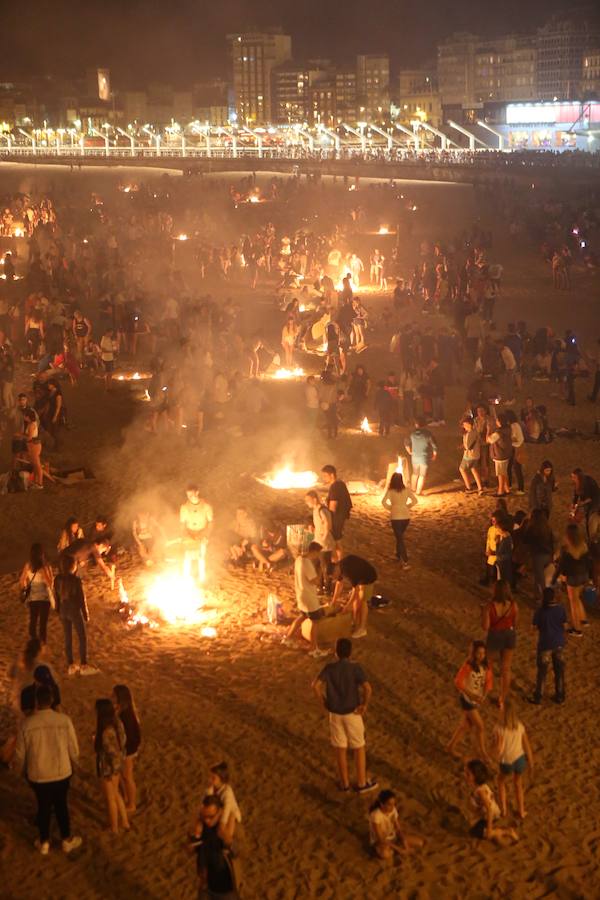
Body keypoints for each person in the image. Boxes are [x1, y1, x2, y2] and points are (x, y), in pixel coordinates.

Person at [13, 684, 82, 855]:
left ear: (36, 702)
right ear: (51, 700)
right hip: (61, 771)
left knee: (43, 807)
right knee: (61, 805)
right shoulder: (64, 720)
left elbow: (20, 753)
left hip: (38, 774)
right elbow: (73, 748)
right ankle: (66, 839)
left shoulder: (27, 724)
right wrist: (76, 764)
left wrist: (20, 770)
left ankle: (44, 841)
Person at [312, 638, 377, 794]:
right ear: (350, 652)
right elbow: (368, 689)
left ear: (336, 652)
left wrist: (323, 702)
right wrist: (364, 705)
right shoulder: (355, 668)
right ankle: (361, 783)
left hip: (335, 714)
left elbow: (315, 686)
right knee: (358, 747)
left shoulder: (329, 668)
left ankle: (344, 784)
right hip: (352, 712)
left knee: (340, 748)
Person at [447, 641, 492, 762]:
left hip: (475, 699)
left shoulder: (486, 665)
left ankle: (450, 747)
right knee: (480, 726)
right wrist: (471, 694)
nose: (481, 655)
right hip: (467, 699)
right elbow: (458, 682)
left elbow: (488, 681)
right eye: (479, 653)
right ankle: (483, 753)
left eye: (483, 653)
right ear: (473, 653)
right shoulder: (467, 666)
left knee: (466, 725)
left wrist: (484, 695)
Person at [54, 556, 99, 676]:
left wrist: (58, 610)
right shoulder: (75, 580)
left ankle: (71, 665)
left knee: (67, 637)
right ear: (73, 566)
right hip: (74, 611)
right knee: (82, 637)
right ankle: (83, 664)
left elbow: (56, 596)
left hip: (63, 610)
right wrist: (85, 614)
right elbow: (81, 598)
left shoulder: (57, 579)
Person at [283, 542, 329, 658]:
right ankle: (313, 649)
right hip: (309, 597)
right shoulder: (307, 563)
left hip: (301, 595)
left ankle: (288, 638)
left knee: (302, 616)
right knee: (315, 621)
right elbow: (315, 581)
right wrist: (320, 571)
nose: (318, 556)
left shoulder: (298, 559)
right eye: (318, 553)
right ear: (314, 551)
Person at [494, 698, 534, 820]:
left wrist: (494, 755)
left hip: (507, 761)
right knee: (518, 783)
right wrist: (531, 760)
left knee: (501, 781)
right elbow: (526, 744)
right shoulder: (520, 726)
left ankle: (504, 810)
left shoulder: (499, 729)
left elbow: (499, 747)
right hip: (520, 759)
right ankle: (521, 811)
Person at [94, 698, 130, 835]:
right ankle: (125, 822)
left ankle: (114, 827)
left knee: (110, 798)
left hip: (109, 768)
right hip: (118, 764)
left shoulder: (106, 731)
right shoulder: (117, 723)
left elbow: (111, 752)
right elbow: (122, 742)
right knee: (116, 794)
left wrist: (111, 771)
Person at [481, 581, 518, 711]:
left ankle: (485, 693)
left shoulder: (489, 606)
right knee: (506, 668)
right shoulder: (513, 605)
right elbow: (515, 622)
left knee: (488, 666)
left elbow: (485, 627)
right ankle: (503, 698)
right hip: (509, 635)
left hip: (495, 636)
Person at [464, 760, 518, 845]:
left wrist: (489, 829)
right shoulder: (483, 786)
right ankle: (498, 834)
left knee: (475, 832)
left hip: (490, 816)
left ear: (476, 776)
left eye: (468, 774)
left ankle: (504, 832)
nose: (465, 776)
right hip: (490, 814)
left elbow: (489, 809)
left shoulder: (480, 791)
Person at [193, 795, 237, 899]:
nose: (207, 820)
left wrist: (228, 840)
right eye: (205, 817)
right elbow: (190, 849)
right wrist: (194, 835)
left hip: (227, 889)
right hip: (206, 887)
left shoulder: (231, 828)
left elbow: (242, 852)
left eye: (211, 817)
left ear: (220, 812)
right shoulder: (201, 827)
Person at [529, 587, 567, 705]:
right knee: (559, 671)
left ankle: (538, 696)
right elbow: (565, 626)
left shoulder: (540, 611)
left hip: (545, 644)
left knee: (542, 672)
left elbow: (533, 628)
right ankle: (560, 695)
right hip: (559, 643)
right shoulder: (561, 610)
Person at [552, 523, 591, 637]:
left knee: (573, 602)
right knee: (577, 598)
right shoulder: (584, 546)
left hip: (573, 577)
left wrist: (554, 578)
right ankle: (583, 620)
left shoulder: (567, 549)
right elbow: (588, 562)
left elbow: (561, 566)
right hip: (583, 575)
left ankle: (577, 629)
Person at [368, 790, 425, 859]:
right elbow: (381, 838)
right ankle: (395, 850)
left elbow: (398, 829)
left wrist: (405, 842)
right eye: (389, 804)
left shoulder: (393, 810)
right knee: (385, 854)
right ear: (382, 804)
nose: (392, 807)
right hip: (381, 842)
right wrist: (399, 849)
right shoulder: (376, 815)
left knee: (420, 843)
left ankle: (397, 849)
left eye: (393, 804)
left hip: (393, 838)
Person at [332, 554, 377, 639]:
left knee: (363, 600)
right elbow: (339, 584)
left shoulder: (347, 570)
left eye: (334, 575)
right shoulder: (339, 568)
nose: (335, 578)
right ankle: (355, 622)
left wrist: (347, 605)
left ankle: (362, 629)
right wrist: (333, 601)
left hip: (368, 576)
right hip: (360, 576)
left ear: (335, 569)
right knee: (356, 601)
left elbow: (355, 590)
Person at [112, 684, 141, 814]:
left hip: (127, 750)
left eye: (113, 695)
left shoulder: (126, 715)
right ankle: (127, 798)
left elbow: (132, 736)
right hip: (126, 749)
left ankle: (132, 803)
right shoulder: (123, 710)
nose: (111, 696)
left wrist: (125, 751)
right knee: (124, 776)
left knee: (128, 777)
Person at [19, 544, 55, 644]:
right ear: (41, 554)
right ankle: (42, 643)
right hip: (44, 598)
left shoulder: (28, 565)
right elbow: (50, 584)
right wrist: (50, 572)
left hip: (32, 598)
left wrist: (26, 588)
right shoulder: (43, 568)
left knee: (33, 620)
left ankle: (32, 640)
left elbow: (22, 580)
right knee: (43, 623)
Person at [381, 472, 418, 567]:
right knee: (399, 537)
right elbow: (415, 500)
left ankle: (405, 561)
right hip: (406, 517)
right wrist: (407, 506)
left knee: (400, 538)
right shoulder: (406, 490)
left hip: (396, 517)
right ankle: (397, 555)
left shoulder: (391, 491)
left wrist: (391, 508)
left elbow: (383, 502)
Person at [180, 485, 213, 579]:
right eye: (188, 495)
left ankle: (202, 578)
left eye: (191, 494)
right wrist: (185, 535)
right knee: (187, 558)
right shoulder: (184, 507)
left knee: (201, 557)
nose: (189, 497)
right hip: (189, 534)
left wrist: (206, 535)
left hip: (202, 533)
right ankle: (186, 577)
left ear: (197, 492)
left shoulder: (206, 506)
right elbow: (182, 523)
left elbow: (211, 522)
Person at [305, 490, 336, 593]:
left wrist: (324, 537)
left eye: (308, 500)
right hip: (318, 542)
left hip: (325, 544)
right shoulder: (315, 510)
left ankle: (327, 588)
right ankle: (320, 586)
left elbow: (328, 525)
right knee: (316, 565)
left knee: (325, 567)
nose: (307, 503)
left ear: (314, 499)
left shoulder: (322, 510)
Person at [521, 508, 555, 603]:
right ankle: (536, 595)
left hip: (537, 556)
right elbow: (552, 542)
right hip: (547, 555)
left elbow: (525, 540)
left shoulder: (532, 528)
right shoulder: (547, 528)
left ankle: (544, 598)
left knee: (540, 578)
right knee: (538, 576)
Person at [204, 762, 242, 843]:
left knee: (222, 828)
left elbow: (227, 808)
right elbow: (208, 800)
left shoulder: (227, 791)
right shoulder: (212, 788)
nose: (210, 780)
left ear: (221, 778)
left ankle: (229, 844)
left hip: (229, 814)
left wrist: (222, 822)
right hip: (219, 811)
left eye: (213, 778)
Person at [321, 465, 352, 560]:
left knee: (335, 543)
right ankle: (338, 563)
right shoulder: (341, 484)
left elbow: (333, 507)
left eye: (325, 476)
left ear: (332, 475)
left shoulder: (334, 487)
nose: (324, 478)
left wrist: (325, 513)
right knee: (337, 541)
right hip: (341, 517)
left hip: (335, 519)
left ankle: (337, 563)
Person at [404, 418, 437, 495]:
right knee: (422, 475)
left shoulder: (412, 433)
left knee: (415, 473)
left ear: (416, 424)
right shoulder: (428, 434)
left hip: (415, 457)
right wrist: (434, 454)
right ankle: (418, 492)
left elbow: (406, 442)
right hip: (424, 458)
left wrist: (409, 451)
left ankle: (413, 489)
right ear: (425, 425)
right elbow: (434, 445)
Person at [571, 468, 600, 544]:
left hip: (595, 502)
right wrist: (573, 505)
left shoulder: (587, 482)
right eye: (572, 477)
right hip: (587, 503)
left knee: (591, 519)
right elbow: (576, 495)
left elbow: (590, 498)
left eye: (574, 477)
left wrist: (580, 504)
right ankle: (590, 538)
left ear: (579, 477)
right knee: (586, 520)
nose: (572, 479)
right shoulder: (577, 483)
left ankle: (593, 540)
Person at [487, 413, 512, 498]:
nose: (496, 421)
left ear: (500, 421)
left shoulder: (499, 432)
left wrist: (488, 430)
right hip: (506, 454)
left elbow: (489, 440)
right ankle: (507, 488)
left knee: (500, 474)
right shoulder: (508, 429)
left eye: (497, 420)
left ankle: (500, 491)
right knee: (504, 472)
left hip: (500, 455)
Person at [458, 418, 483, 496]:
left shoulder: (469, 433)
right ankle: (480, 488)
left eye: (464, 424)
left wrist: (464, 447)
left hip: (469, 455)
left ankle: (469, 487)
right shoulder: (475, 431)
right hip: (476, 454)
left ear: (469, 424)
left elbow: (468, 446)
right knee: (474, 470)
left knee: (462, 469)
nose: (463, 426)